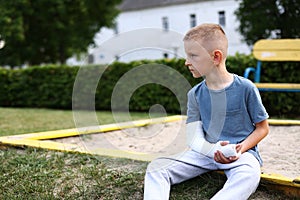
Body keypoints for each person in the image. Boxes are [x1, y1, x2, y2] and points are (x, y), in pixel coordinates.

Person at [143, 23, 269, 200]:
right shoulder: (194, 94)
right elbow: (194, 137)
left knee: (249, 175)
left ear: (216, 57)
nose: (186, 62)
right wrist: (213, 150)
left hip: (241, 155)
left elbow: (262, 128)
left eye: (193, 56)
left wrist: (241, 149)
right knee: (157, 167)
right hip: (204, 153)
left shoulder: (246, 88)